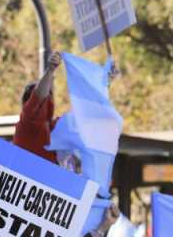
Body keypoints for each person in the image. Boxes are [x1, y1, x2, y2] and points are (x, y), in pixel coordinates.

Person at [12, 51, 121, 237]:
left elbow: (88, 114)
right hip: (34, 205)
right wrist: (50, 71)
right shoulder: (28, 127)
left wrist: (105, 82)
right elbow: (38, 100)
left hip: (52, 208)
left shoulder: (58, 130)